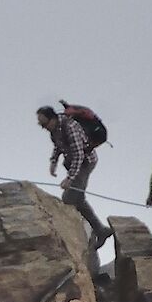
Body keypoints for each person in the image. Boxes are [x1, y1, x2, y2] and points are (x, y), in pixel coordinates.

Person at [38, 105, 110, 249]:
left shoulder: (70, 126)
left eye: (44, 123)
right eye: (41, 125)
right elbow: (58, 146)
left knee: (69, 199)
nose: (43, 127)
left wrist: (70, 178)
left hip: (85, 163)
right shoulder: (54, 130)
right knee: (79, 199)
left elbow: (79, 154)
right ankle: (101, 230)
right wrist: (53, 161)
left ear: (52, 119)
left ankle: (87, 234)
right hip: (73, 163)